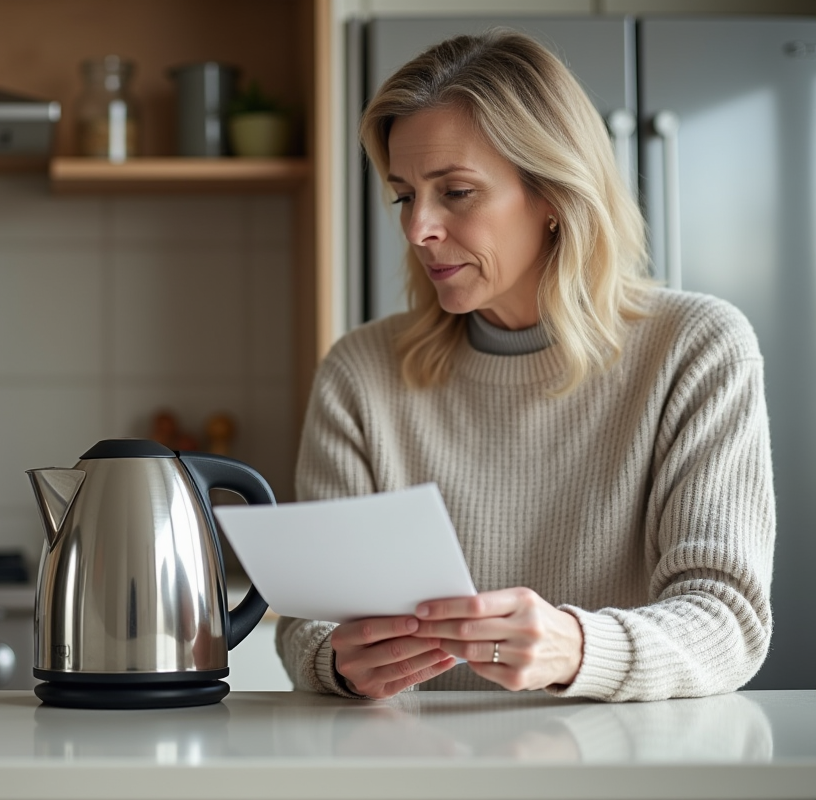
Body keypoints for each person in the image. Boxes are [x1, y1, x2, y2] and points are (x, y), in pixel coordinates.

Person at [276, 29, 775, 702]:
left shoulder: (698, 349)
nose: (417, 227)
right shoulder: (360, 373)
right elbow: (312, 621)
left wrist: (577, 647)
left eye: (455, 192)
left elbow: (728, 619)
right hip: (414, 767)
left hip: (621, 765)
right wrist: (335, 662)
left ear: (552, 196)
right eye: (403, 195)